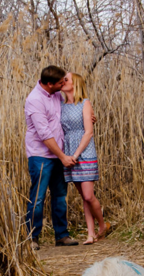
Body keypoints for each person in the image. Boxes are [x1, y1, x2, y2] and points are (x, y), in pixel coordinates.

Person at [25, 65, 79, 250]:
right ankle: (32, 238)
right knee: (38, 197)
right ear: (49, 84)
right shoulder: (34, 100)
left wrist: (86, 117)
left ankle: (61, 236)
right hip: (41, 155)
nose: (63, 84)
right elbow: (45, 134)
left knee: (60, 196)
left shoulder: (56, 94)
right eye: (60, 82)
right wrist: (63, 156)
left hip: (59, 155)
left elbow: (64, 116)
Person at [61, 73, 110, 245]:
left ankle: (102, 226)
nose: (62, 81)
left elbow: (89, 132)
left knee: (89, 196)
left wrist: (75, 154)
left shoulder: (84, 103)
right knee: (83, 197)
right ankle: (90, 234)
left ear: (75, 83)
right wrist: (67, 155)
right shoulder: (60, 105)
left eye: (66, 79)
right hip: (68, 151)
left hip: (84, 151)